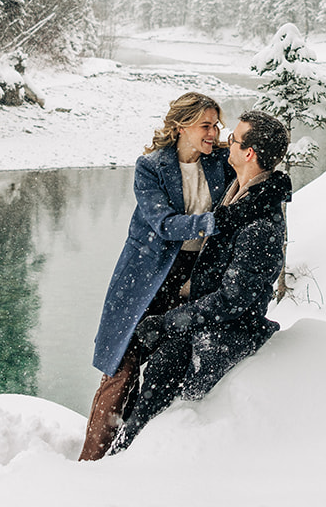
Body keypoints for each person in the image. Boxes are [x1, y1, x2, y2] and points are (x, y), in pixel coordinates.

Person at [110, 109, 293, 454]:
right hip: (199, 316)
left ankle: (122, 461)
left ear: (249, 153)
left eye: (234, 140)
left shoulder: (260, 227)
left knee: (159, 384)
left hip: (223, 334)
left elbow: (232, 301)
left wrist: (168, 322)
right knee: (129, 359)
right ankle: (114, 448)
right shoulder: (239, 189)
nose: (226, 142)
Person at [79, 92, 230, 461]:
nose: (213, 133)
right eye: (205, 126)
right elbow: (163, 223)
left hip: (195, 277)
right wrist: (213, 223)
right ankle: (89, 460)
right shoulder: (150, 167)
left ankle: (135, 456)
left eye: (216, 126)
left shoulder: (221, 160)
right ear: (181, 126)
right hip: (146, 277)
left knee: (168, 365)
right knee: (123, 367)